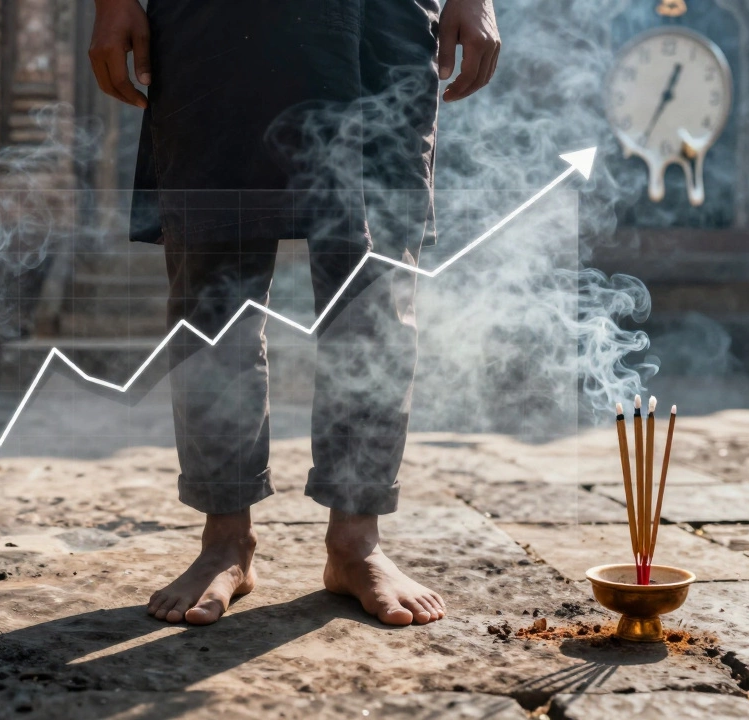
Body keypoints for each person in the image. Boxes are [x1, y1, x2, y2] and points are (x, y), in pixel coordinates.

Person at [88, 0, 501, 626]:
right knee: (212, 285)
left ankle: (355, 540)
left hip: (376, 19)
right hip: (216, 26)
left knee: (375, 285)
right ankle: (226, 538)